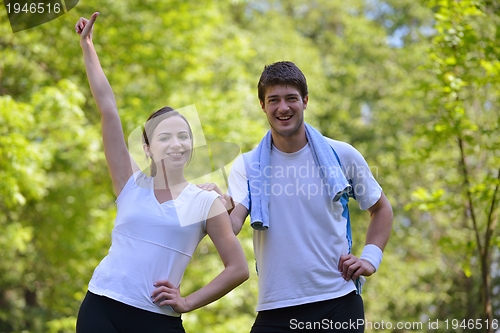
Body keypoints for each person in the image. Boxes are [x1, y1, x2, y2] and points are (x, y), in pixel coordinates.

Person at [74, 12, 249, 333]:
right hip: (101, 304)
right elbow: (108, 109)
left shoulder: (205, 201)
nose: (175, 143)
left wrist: (188, 301)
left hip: (157, 319)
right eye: (164, 136)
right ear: (148, 148)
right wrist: (87, 46)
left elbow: (238, 269)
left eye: (183, 136)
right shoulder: (129, 182)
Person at [201, 61, 393, 332]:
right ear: (262, 105)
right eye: (273, 100)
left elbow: (381, 209)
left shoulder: (342, 155)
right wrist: (215, 204)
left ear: (304, 101)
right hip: (275, 308)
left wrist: (370, 259)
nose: (283, 107)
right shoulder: (247, 166)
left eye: (291, 98)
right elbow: (232, 226)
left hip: (338, 302)